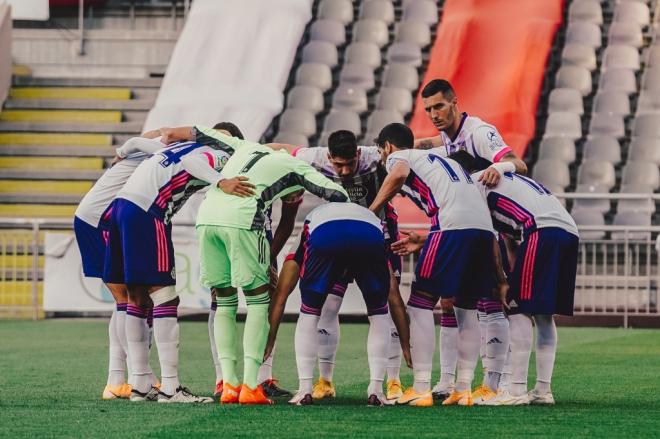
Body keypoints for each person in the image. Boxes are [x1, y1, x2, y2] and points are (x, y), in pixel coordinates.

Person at [195, 135, 349, 405]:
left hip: (206, 218)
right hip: (242, 221)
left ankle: (229, 383)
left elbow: (199, 131)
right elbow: (337, 193)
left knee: (225, 303)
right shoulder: (295, 165)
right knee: (257, 302)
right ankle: (251, 386)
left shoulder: (245, 147)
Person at [103, 122, 251, 403]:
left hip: (120, 207)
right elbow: (192, 162)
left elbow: (136, 143)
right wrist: (221, 181)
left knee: (136, 297)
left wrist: (121, 152)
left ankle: (140, 383)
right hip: (149, 210)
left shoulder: (171, 147)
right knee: (165, 297)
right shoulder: (220, 153)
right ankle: (171, 388)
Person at [370, 123, 507, 407]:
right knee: (466, 308)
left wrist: (370, 212)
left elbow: (398, 174)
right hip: (483, 230)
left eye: (383, 153)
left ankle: (420, 386)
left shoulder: (400, 156)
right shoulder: (444, 162)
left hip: (451, 228)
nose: (384, 159)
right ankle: (463, 388)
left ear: (387, 147)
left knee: (420, 302)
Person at [269, 130, 405, 402]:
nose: (343, 171)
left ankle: (393, 380)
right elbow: (279, 147)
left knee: (388, 302)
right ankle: (325, 381)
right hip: (337, 237)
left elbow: (408, 157)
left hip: (379, 231)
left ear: (358, 155)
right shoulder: (314, 157)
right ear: (328, 156)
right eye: (337, 165)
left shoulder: (375, 157)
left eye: (349, 165)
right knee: (328, 307)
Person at [413, 79, 525, 400]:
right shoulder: (447, 138)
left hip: (492, 229)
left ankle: (497, 381)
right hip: (467, 229)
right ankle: (448, 382)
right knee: (449, 301)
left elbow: (519, 162)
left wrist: (500, 169)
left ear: (455, 103)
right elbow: (424, 144)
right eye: (429, 109)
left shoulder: (479, 131)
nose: (434, 113)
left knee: (492, 300)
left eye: (439, 106)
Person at [449, 150, 579, 405]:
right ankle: (542, 390)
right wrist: (511, 275)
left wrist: (502, 281)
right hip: (568, 231)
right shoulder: (513, 182)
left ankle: (516, 390)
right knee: (543, 315)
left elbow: (490, 240)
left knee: (518, 310)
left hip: (540, 230)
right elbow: (509, 235)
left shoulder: (474, 185)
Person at [264, 202, 412, 406]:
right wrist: (405, 344)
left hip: (328, 234)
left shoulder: (303, 240)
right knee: (379, 313)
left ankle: (305, 389)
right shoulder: (368, 228)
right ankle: (376, 391)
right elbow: (394, 299)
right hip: (368, 233)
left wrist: (269, 341)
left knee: (310, 312)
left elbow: (281, 295)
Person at [74, 135, 165, 400]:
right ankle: (140, 376)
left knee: (126, 299)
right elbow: (146, 140)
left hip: (101, 218)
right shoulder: (163, 150)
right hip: (99, 219)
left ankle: (118, 379)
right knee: (129, 297)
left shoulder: (156, 150)